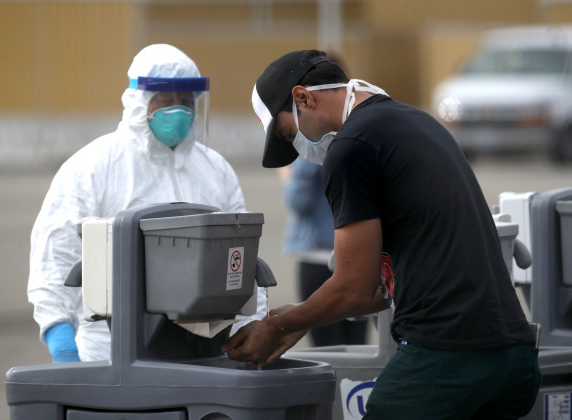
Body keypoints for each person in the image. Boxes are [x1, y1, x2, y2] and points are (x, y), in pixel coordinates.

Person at [224, 49, 541, 419]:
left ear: (303, 97)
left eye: (288, 133)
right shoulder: (419, 123)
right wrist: (303, 315)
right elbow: (388, 285)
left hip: (448, 354)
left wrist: (277, 325)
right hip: (514, 357)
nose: (297, 147)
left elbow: (352, 289)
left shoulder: (351, 148)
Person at [28, 44, 267, 363]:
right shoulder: (95, 165)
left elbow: (243, 258)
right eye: (165, 99)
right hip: (110, 347)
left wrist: (254, 326)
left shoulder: (214, 169)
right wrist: (61, 341)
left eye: (186, 100)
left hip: (205, 347)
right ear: (139, 102)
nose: (178, 109)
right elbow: (56, 252)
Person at [281, 156, 367, 346]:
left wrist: (290, 177)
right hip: (357, 257)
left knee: (327, 350)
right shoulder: (355, 144)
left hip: (318, 257)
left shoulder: (310, 153)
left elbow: (299, 202)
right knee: (358, 349)